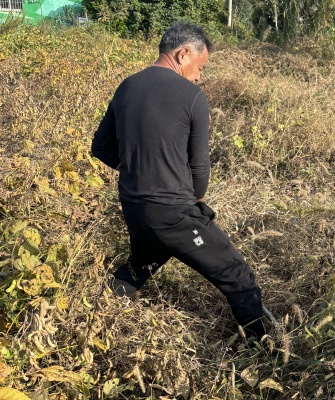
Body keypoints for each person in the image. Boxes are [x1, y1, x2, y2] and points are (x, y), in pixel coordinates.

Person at [91, 21, 265, 339]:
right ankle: (266, 351)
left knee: (141, 265)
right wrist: (194, 205)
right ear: (183, 54)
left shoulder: (127, 87)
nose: (199, 76)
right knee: (237, 274)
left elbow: (100, 147)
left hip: (133, 206)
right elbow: (199, 169)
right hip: (172, 212)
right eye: (200, 67)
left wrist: (137, 171)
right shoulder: (192, 97)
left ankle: (95, 320)